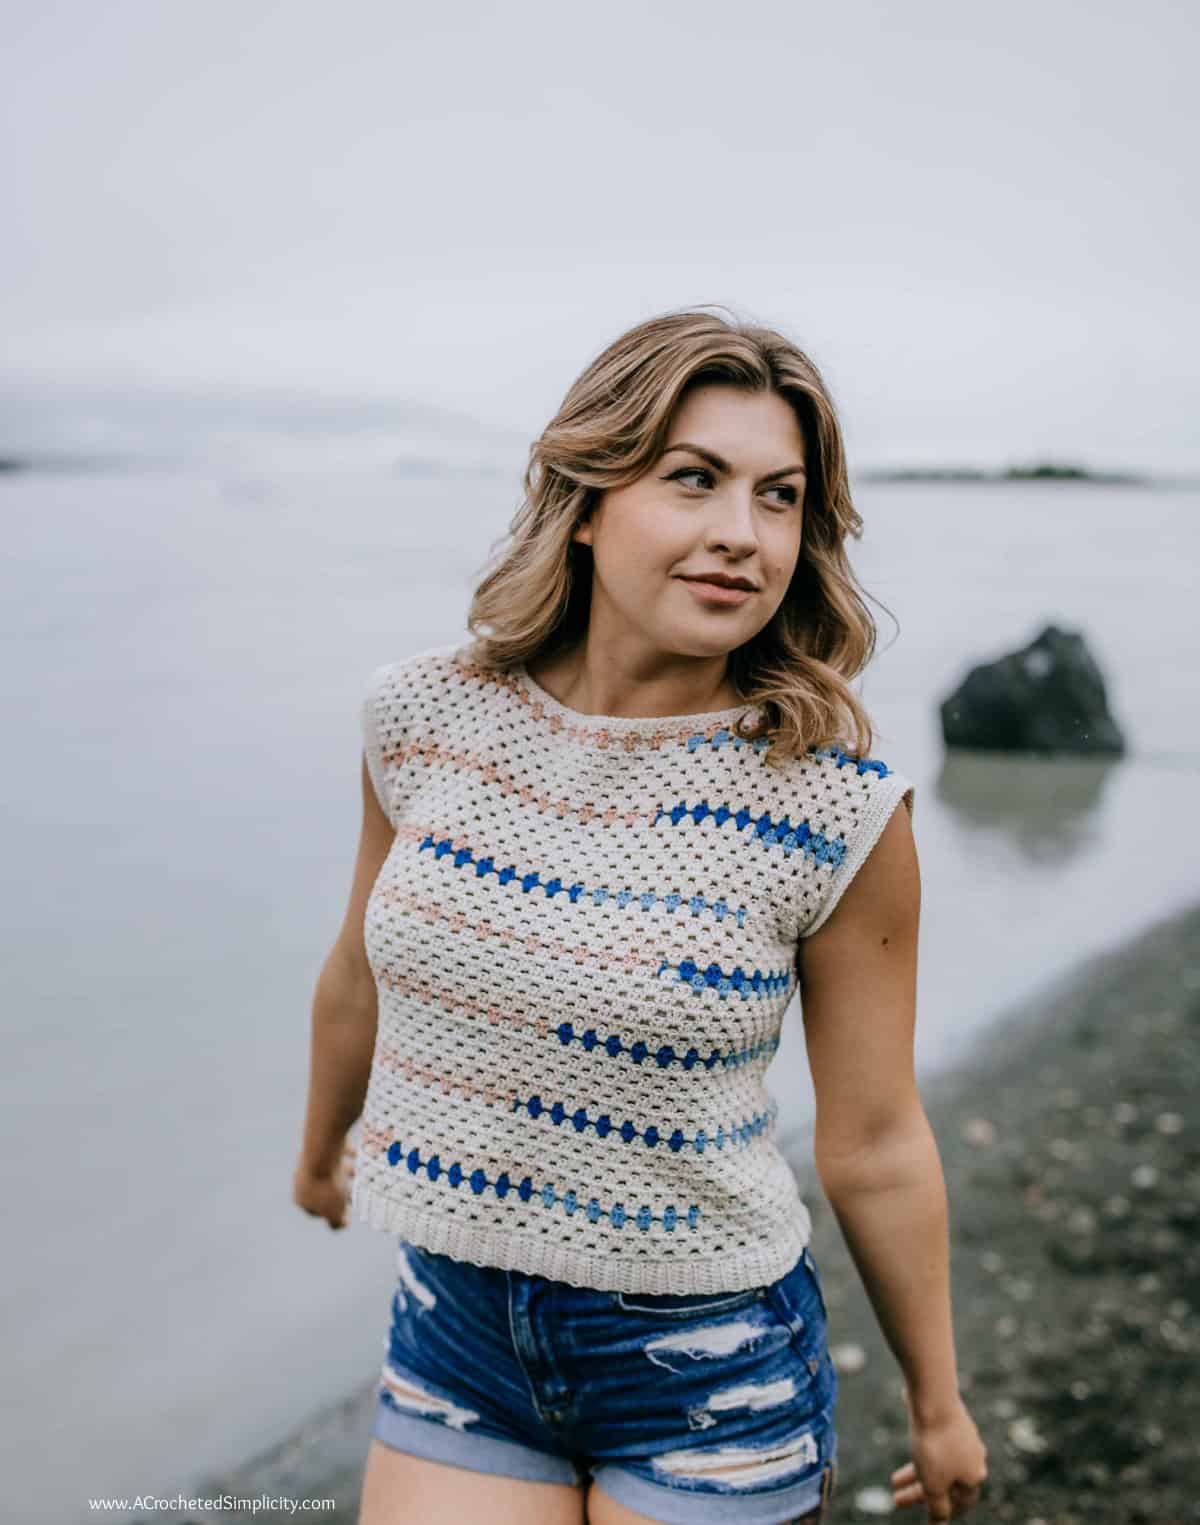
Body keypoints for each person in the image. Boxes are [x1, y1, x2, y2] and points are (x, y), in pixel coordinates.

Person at [293, 306, 988, 1525]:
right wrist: (321, 1151)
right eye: (693, 480)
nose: (742, 535)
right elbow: (359, 966)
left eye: (780, 498)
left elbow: (874, 1139)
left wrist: (938, 1401)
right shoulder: (419, 717)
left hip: (707, 1370)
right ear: (587, 494)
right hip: (455, 1329)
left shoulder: (836, 809)